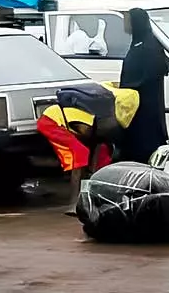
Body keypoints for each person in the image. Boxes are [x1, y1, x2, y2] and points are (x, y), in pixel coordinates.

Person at [37, 85, 137, 215]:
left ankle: (89, 198)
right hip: (50, 122)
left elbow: (96, 146)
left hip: (64, 123)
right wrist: (88, 170)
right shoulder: (87, 125)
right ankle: (74, 203)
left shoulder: (100, 127)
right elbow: (86, 142)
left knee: (102, 155)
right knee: (79, 154)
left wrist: (93, 172)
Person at [116, 7, 169, 163]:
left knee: (146, 141)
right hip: (134, 103)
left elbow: (155, 70)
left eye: (127, 20)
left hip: (146, 104)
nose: (125, 24)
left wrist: (131, 85)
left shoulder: (149, 46)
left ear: (136, 22)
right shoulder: (138, 42)